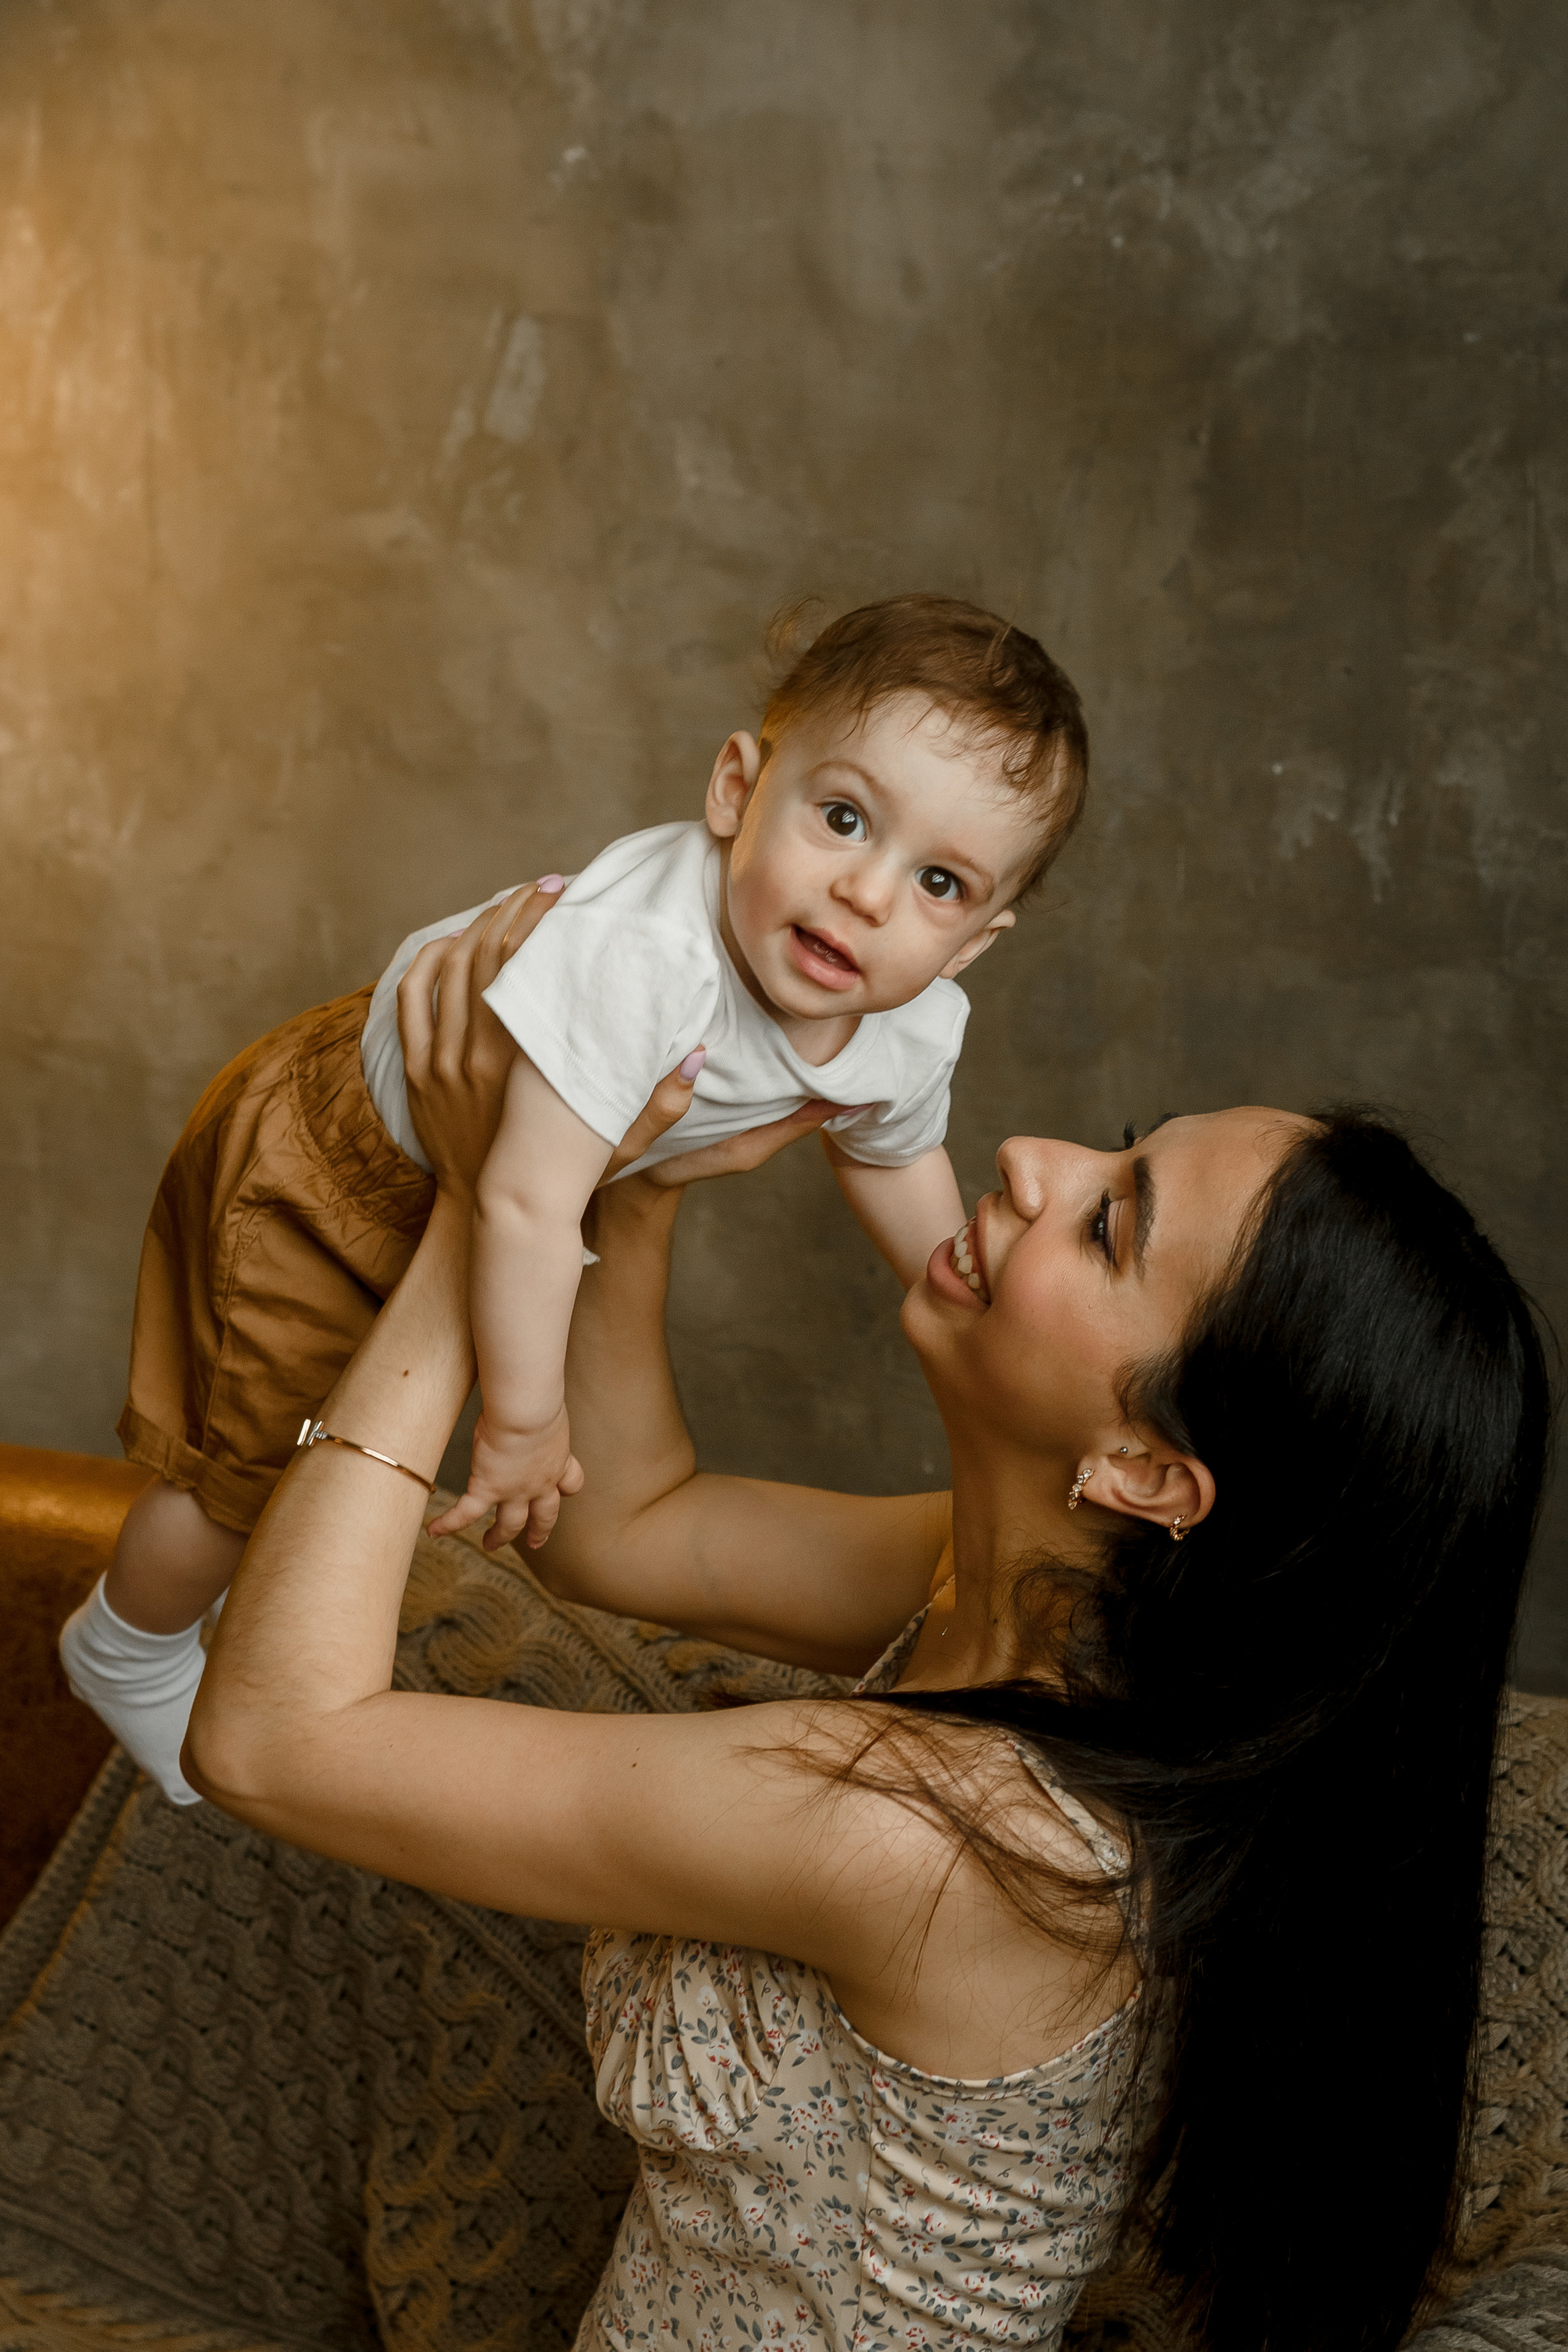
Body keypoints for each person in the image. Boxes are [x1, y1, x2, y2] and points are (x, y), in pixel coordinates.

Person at [184, 883, 1551, 2352]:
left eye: (1108, 1222)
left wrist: (482, 1207)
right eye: (1122, 1143)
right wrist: (614, 1160)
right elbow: (627, 1529)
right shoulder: (1055, 1625)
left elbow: (269, 1739)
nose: (1029, 1156)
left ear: (1150, 1472)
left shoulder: (940, 1838)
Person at [60, 594, 1089, 1801]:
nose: (867, 894)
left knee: (322, 1450)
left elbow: (889, 1155)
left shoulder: (913, 1020)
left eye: (938, 883)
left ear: (971, 946)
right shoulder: (642, 960)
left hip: (507, 1191)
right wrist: (522, 1426)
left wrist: (957, 1288)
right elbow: (525, 1210)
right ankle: (125, 1643)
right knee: (253, 1469)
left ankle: (222, 1586)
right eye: (843, 818)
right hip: (335, 1169)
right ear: (733, 793)